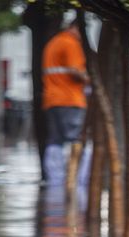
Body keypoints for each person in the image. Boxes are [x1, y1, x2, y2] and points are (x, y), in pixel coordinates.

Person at [42, 13, 89, 192]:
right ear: (76, 28)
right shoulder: (70, 43)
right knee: (74, 139)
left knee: (55, 140)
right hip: (70, 99)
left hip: (52, 99)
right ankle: (73, 182)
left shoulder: (54, 42)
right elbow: (76, 71)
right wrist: (93, 80)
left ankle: (56, 182)